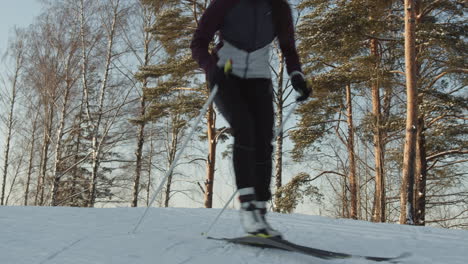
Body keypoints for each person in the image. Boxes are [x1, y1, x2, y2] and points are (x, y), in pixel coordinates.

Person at [190, 0, 311, 238]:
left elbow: (288, 47)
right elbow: (199, 42)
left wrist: (296, 75)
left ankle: (260, 211)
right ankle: (247, 208)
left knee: (264, 138)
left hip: (258, 77)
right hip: (225, 75)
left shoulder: (279, 7)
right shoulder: (225, 3)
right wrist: (210, 67)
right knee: (244, 128)